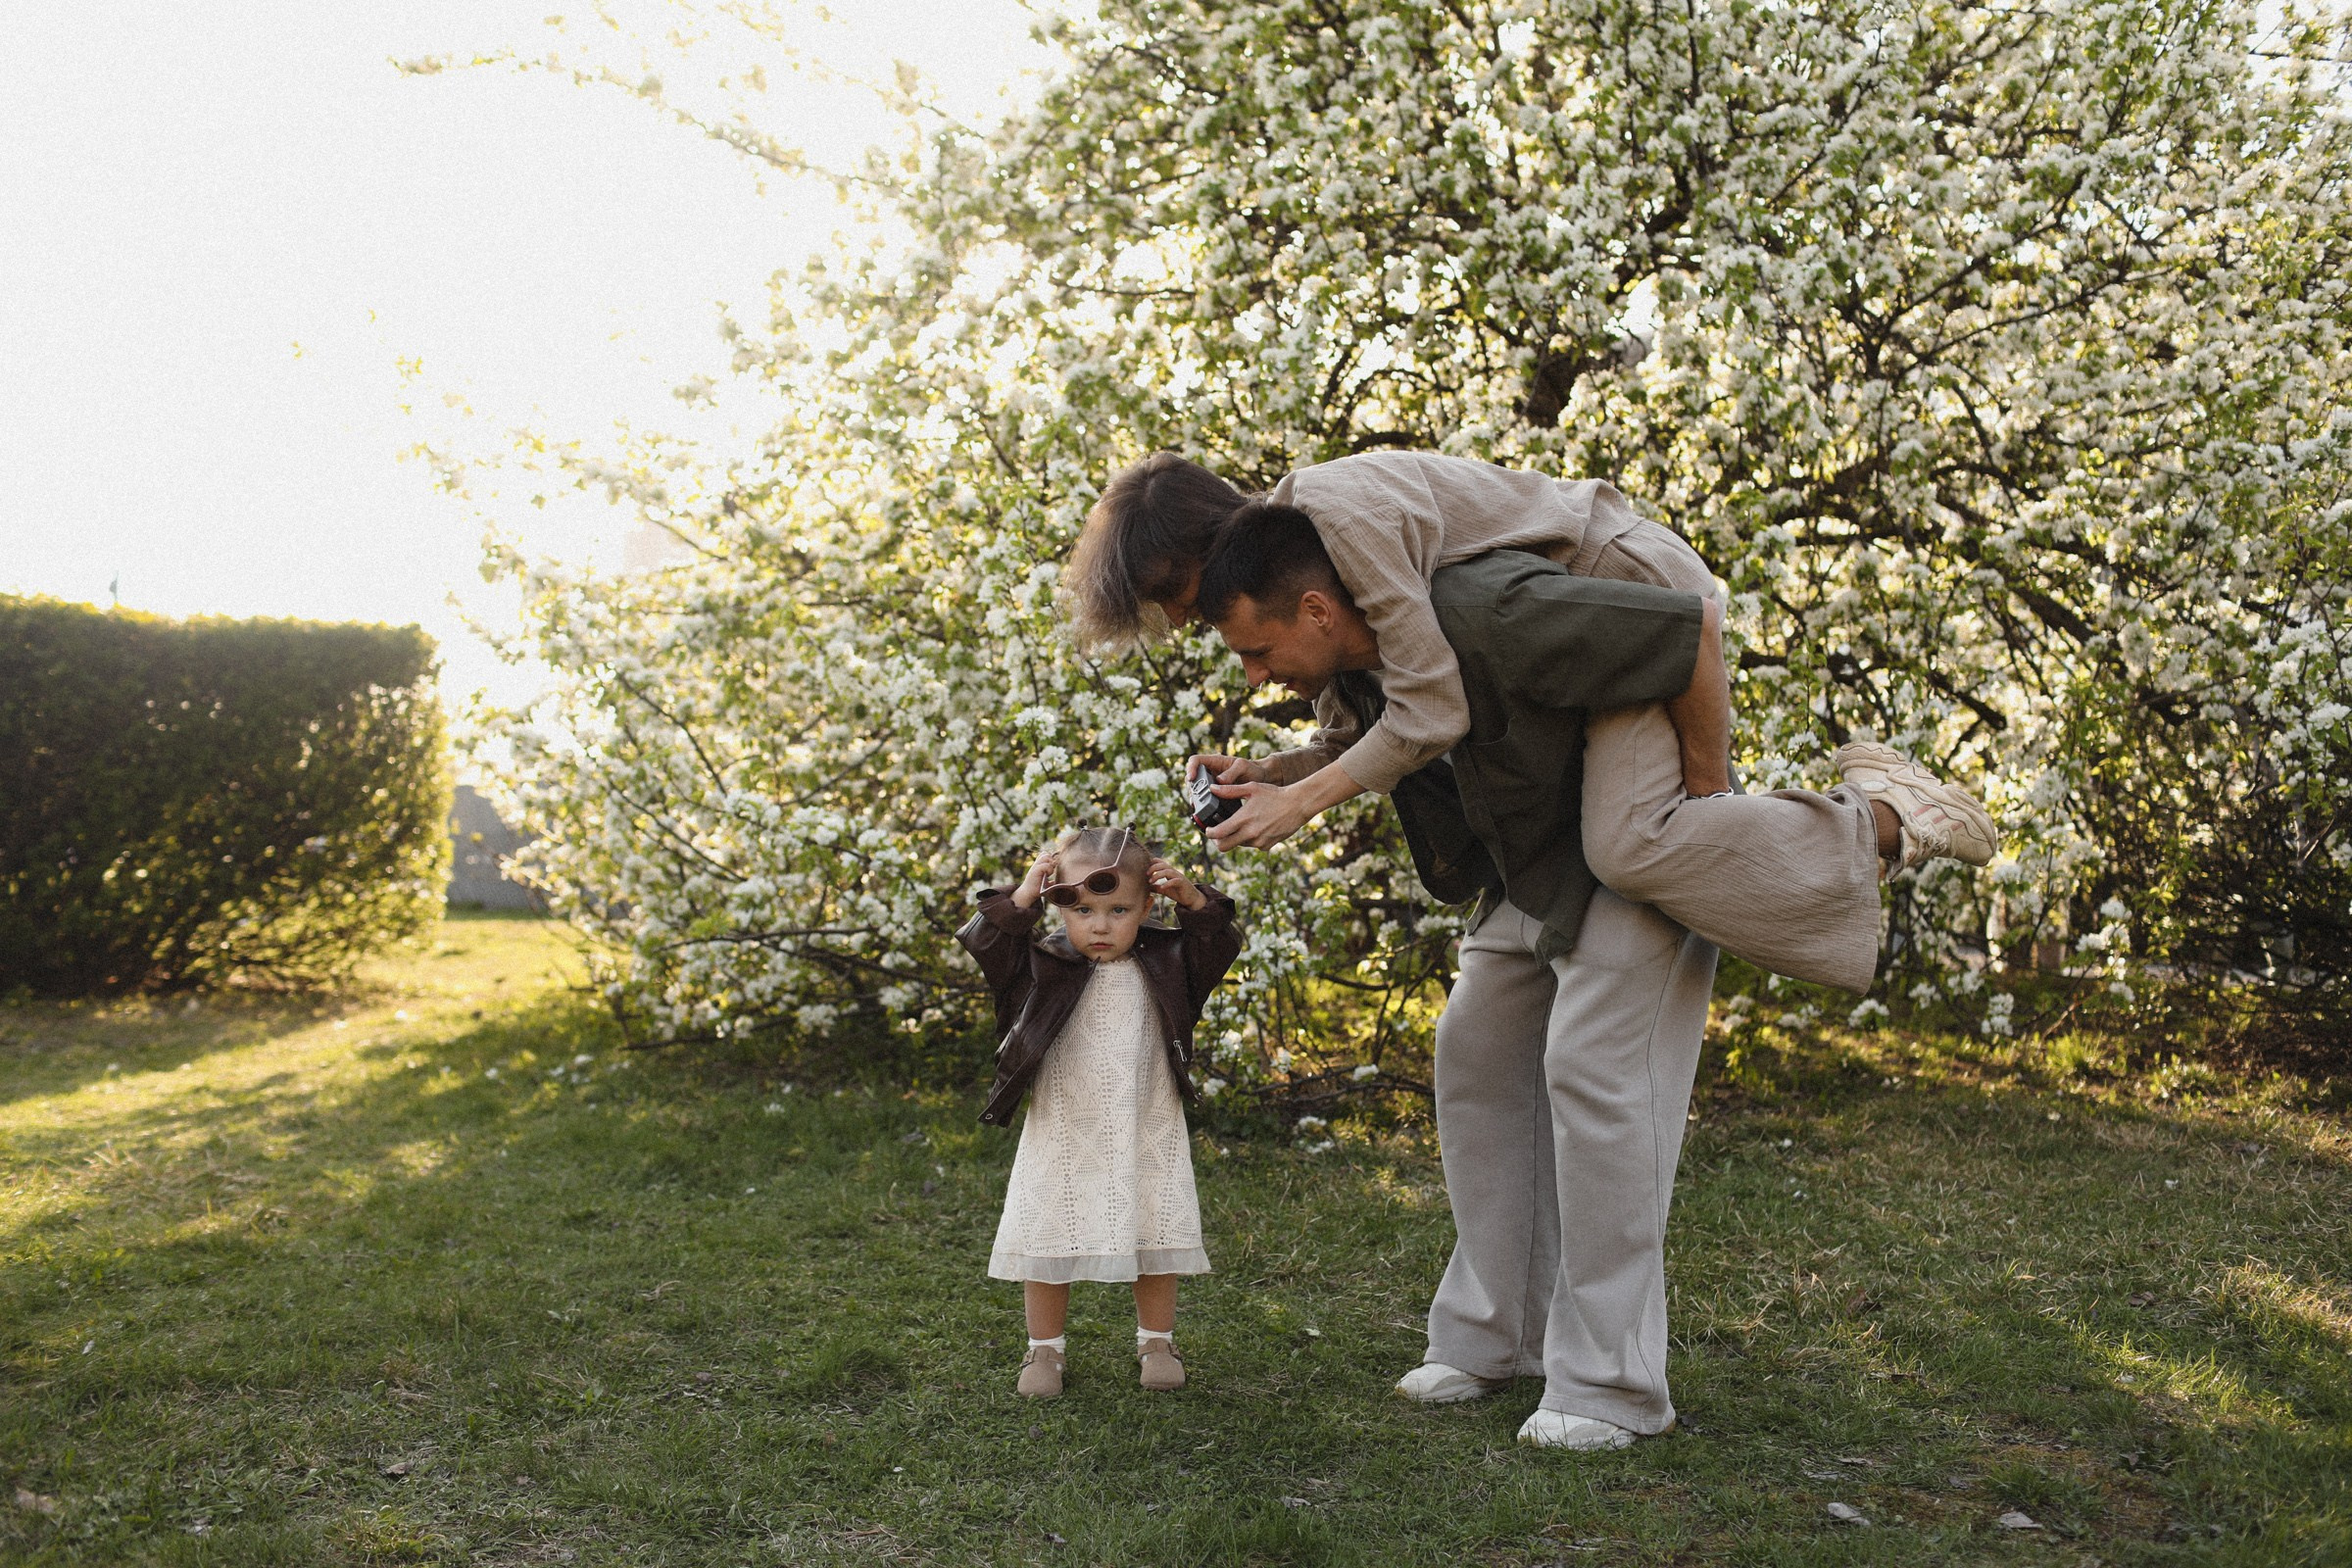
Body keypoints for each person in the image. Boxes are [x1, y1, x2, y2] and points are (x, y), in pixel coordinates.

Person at [1189, 506, 1730, 1447]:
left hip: (1634, 843)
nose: (1255, 675)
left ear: (1318, 609)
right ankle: (1499, 1338)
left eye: (1260, 650)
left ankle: (1613, 1387)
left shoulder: (1489, 608)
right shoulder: (1369, 661)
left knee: (1597, 1073)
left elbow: (1688, 634)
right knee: (1475, 1045)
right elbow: (1396, 741)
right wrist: (1274, 770)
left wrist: (1707, 806)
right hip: (1538, 863)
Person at [1064, 450, 1997, 995]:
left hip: (1621, 594)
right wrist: (1278, 767)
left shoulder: (1334, 521)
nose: (1184, 620)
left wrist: (1710, 788)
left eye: (1175, 596)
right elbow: (1386, 702)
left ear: (1205, 541)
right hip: (1563, 646)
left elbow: (1433, 702)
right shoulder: (1292, 558)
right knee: (1624, 846)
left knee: (1637, 843)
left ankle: (1883, 815)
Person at [956, 826, 1243, 1399]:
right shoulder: (1039, 964)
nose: (1101, 925)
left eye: (1119, 909)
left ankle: (1157, 1340)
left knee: (1153, 1224)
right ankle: (1044, 1350)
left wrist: (1195, 902)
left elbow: (1218, 945)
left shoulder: (1169, 962)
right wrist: (1021, 896)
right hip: (1063, 1129)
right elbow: (989, 944)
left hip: (1145, 1121)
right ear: (1057, 903)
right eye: (1082, 908)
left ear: (1148, 907)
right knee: (1048, 1230)